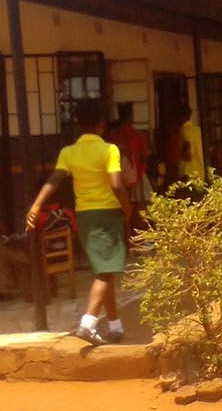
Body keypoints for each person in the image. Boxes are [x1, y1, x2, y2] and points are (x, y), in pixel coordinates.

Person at [27, 99, 130, 345]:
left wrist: (36, 205)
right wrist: (127, 207)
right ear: (100, 125)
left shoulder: (68, 152)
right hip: (107, 214)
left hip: (84, 216)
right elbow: (116, 184)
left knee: (102, 270)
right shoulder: (109, 150)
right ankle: (89, 322)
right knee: (106, 271)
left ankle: (115, 325)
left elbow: (54, 179)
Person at [106, 102, 151, 233]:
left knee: (123, 206)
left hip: (118, 177)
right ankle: (140, 233)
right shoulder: (137, 135)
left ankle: (127, 233)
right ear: (131, 116)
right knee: (141, 206)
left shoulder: (114, 136)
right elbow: (144, 155)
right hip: (137, 175)